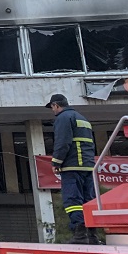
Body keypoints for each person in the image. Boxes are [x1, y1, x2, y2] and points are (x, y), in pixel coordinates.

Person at [46, 93, 99, 244]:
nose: (53, 110)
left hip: (72, 166)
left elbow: (62, 142)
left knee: (72, 200)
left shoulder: (63, 118)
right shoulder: (83, 118)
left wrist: (56, 162)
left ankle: (79, 234)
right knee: (89, 201)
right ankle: (92, 235)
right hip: (88, 167)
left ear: (55, 105)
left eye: (52, 107)